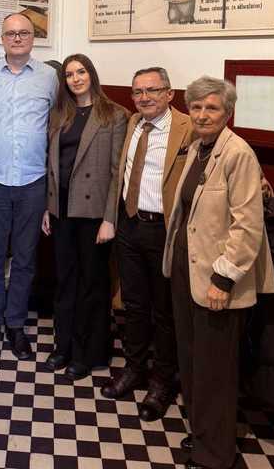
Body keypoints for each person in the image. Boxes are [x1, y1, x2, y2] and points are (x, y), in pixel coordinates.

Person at [163, 76, 274, 469]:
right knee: (193, 361)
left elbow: (247, 225)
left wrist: (223, 279)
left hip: (216, 278)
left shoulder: (238, 153)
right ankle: (203, 434)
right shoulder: (198, 147)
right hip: (186, 270)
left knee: (215, 369)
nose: (202, 115)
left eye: (211, 108)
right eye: (196, 107)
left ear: (227, 113)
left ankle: (215, 455)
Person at [101, 66, 193, 421]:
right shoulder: (133, 123)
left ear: (170, 93)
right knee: (134, 305)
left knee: (163, 310)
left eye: (152, 90)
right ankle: (134, 369)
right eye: (138, 91)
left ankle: (162, 382)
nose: (144, 97)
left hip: (164, 230)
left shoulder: (187, 127)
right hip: (130, 225)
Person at [42, 55, 128, 379]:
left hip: (93, 214)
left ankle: (89, 353)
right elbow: (50, 165)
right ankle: (63, 346)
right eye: (69, 74)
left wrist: (110, 219)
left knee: (92, 283)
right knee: (65, 281)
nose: (75, 78)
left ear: (91, 74)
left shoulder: (114, 114)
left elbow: (117, 171)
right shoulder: (59, 114)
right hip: (61, 210)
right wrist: (47, 207)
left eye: (81, 72)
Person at [0, 13, 58, 359]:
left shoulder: (49, 77)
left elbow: (57, 124)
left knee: (25, 259)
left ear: (32, 38)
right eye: (10, 33)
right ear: (2, 38)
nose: (17, 38)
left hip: (32, 182)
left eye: (23, 32)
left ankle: (15, 325)